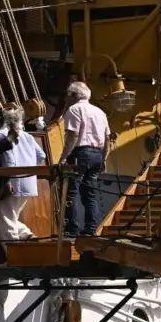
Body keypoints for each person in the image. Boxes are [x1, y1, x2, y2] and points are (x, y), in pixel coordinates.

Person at [60, 81, 111, 237]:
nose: (66, 98)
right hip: (97, 154)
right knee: (90, 193)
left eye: (68, 95)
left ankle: (72, 229)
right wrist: (104, 159)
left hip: (80, 154)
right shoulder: (100, 112)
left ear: (74, 95)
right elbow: (107, 138)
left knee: (71, 191)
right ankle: (91, 229)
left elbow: (73, 135)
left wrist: (63, 157)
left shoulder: (74, 109)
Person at [0, 105, 46, 243]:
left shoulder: (0, 135)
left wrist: (7, 181)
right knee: (11, 215)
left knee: (3, 218)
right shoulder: (27, 136)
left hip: (12, 182)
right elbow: (41, 156)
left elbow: (8, 160)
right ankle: (26, 235)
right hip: (29, 183)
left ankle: (13, 255)